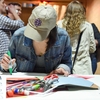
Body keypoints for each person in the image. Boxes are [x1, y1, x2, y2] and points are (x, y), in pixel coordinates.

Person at [0, 5, 72, 76]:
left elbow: (67, 62)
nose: (34, 36)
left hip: (51, 83)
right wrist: (7, 66)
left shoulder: (63, 37)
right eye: (33, 29)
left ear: (52, 28)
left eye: (41, 32)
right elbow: (10, 62)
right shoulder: (18, 36)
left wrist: (62, 68)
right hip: (24, 84)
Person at [57, 0, 96, 75]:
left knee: (62, 86)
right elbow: (92, 48)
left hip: (63, 67)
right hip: (83, 67)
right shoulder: (87, 26)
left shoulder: (60, 25)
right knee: (81, 86)